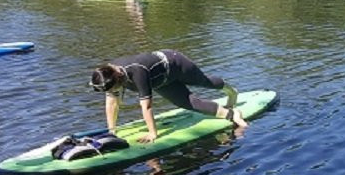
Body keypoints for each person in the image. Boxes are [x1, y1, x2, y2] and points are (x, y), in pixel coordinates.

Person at [89, 49, 246, 144]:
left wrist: (153, 133)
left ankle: (230, 89)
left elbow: (147, 106)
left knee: (205, 82)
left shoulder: (137, 72)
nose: (113, 92)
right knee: (189, 103)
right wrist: (112, 131)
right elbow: (111, 104)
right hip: (162, 81)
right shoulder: (109, 75)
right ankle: (232, 114)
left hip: (176, 64)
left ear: (117, 78)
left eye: (114, 88)